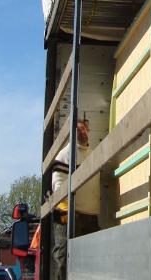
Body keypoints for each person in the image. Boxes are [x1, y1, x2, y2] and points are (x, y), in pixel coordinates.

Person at [50, 119, 100, 280]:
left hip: (90, 215)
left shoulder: (92, 154)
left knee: (91, 259)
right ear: (72, 133)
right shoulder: (64, 156)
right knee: (64, 258)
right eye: (78, 130)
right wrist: (68, 214)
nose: (82, 132)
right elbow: (58, 187)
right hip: (67, 214)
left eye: (84, 129)